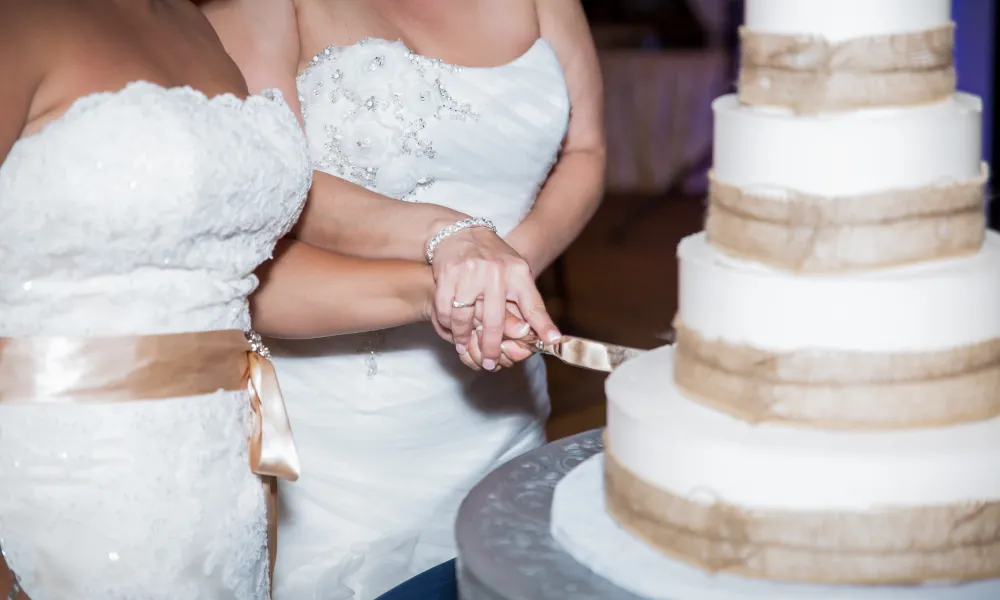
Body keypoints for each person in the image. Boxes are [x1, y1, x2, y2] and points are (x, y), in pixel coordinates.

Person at [0, 1, 532, 598]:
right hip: (61, 487)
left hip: (220, 481)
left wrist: (440, 289)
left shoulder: (193, 22)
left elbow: (233, 282)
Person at [203, 0, 606, 597]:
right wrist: (450, 244)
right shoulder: (268, 9)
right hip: (341, 447)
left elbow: (587, 151)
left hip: (504, 406)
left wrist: (503, 273)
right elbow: (272, 188)